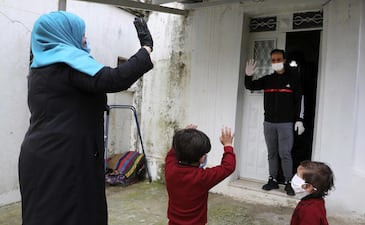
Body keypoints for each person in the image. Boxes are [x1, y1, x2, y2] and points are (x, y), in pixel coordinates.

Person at [19, 11, 153, 225]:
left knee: (45, 214)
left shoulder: (40, 68)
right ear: (64, 34)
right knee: (73, 215)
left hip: (43, 155)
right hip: (65, 158)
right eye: (81, 33)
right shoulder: (69, 63)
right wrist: (146, 48)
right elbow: (114, 79)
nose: (84, 38)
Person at [244, 49, 305, 196]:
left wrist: (299, 119)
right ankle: (273, 180)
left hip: (286, 123)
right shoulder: (268, 80)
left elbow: (300, 100)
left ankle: (289, 182)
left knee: (285, 153)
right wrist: (248, 75)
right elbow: (250, 86)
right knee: (272, 153)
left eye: (278, 59)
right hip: (269, 123)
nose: (276, 62)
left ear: (284, 60)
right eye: (273, 60)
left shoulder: (293, 79)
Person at [165, 125, 236, 225]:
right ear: (202, 158)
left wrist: (184, 139)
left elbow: (172, 153)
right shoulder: (202, 178)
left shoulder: (170, 169)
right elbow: (228, 167)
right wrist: (228, 145)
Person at [290, 160, 335, 225]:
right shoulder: (315, 201)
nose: (294, 177)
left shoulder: (310, 211)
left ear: (308, 187)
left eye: (297, 175)